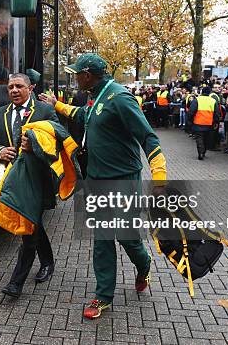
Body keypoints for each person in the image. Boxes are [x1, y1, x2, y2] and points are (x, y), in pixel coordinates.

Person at [39, 53, 167, 320]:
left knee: (127, 237)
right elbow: (85, 115)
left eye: (77, 73)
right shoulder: (96, 94)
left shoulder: (120, 97)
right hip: (96, 181)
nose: (74, 77)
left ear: (88, 75)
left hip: (123, 181)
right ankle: (104, 296)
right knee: (102, 238)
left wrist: (160, 176)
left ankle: (143, 264)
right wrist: (57, 105)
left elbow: (148, 137)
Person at [0, 73, 58, 298]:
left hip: (38, 177)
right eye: (10, 87)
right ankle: (47, 261)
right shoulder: (0, 114)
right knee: (33, 222)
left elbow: (57, 140)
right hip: (13, 177)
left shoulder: (45, 111)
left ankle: (16, 283)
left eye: (19, 86)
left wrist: (35, 145)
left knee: (28, 228)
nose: (14, 91)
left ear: (30, 88)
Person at [188, 87, 219, 160]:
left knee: (199, 138)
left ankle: (200, 153)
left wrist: (190, 120)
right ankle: (203, 152)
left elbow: (191, 111)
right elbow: (216, 113)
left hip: (198, 122)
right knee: (206, 138)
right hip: (209, 123)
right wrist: (216, 122)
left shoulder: (197, 100)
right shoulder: (213, 101)